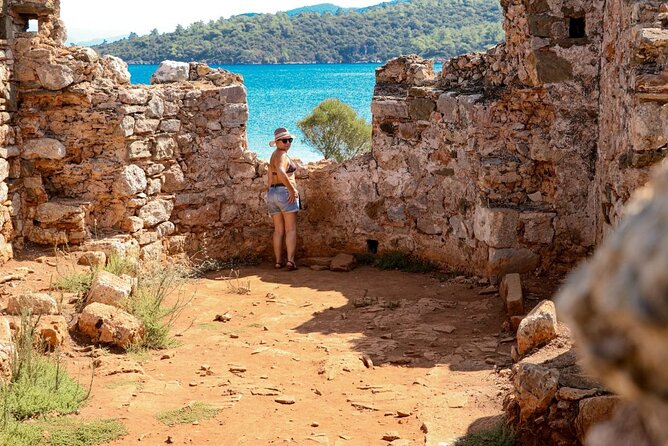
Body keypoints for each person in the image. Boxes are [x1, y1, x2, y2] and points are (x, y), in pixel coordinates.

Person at [266, 127, 300, 271]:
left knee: (278, 230)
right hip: (284, 192)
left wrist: (271, 193)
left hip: (272, 193)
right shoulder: (283, 155)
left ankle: (278, 261)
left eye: (290, 140)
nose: (288, 143)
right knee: (290, 229)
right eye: (284, 140)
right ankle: (290, 262)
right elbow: (280, 171)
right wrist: (292, 190)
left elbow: (269, 178)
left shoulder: (273, 155)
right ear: (277, 142)